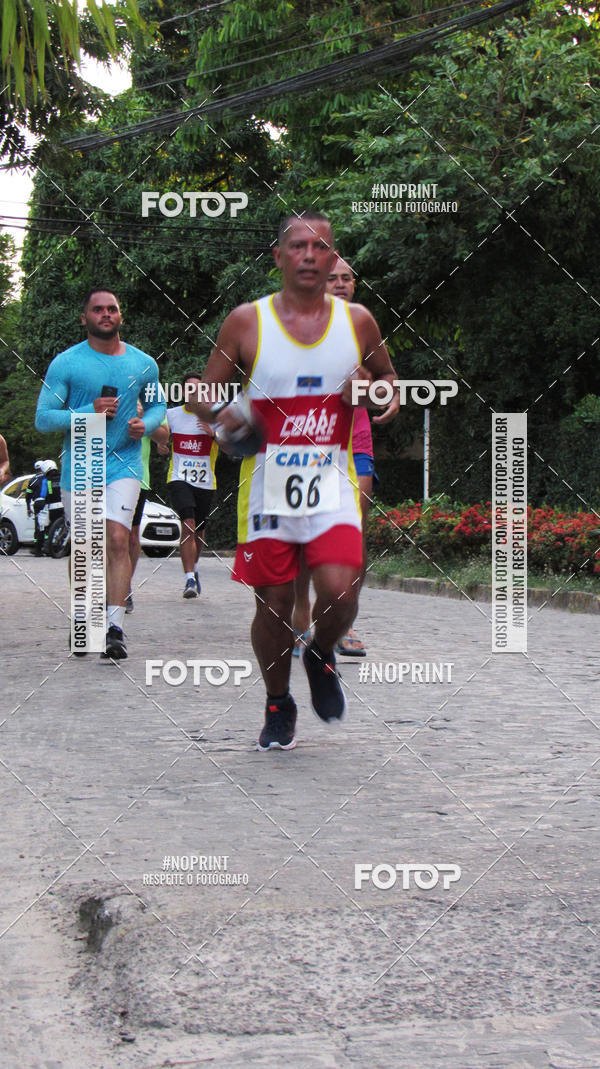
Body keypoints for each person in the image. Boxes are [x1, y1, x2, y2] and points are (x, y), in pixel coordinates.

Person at [189, 212, 399, 750]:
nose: (310, 254)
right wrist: (223, 414)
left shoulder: (357, 322)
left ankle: (321, 652)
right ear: (280, 257)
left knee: (341, 590)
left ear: (333, 262)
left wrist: (377, 396)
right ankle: (278, 701)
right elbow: (201, 394)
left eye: (321, 247)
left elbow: (390, 383)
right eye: (298, 246)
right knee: (275, 605)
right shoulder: (246, 322)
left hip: (331, 477)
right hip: (268, 481)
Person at [35, 288, 166, 659]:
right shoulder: (66, 363)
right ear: (85, 318)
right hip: (81, 461)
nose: (106, 314)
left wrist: (147, 422)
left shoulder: (144, 364)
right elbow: (43, 419)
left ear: (120, 316)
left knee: (117, 540)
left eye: (112, 309)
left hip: (124, 461)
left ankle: (114, 628)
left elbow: (158, 404)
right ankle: (84, 621)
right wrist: (87, 413)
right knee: (86, 547)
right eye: (98, 310)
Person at [292, 255, 377, 658]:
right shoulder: (296, 326)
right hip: (306, 444)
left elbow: (382, 380)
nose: (340, 283)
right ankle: (300, 613)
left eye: (347, 278)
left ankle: (343, 622)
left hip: (355, 440)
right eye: (332, 278)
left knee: (353, 534)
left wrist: (383, 396)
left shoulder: (362, 326)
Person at [156, 373, 218, 599]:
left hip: (205, 481)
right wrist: (161, 445)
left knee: (199, 533)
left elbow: (232, 444)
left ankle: (194, 567)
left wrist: (214, 434)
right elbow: (161, 437)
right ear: (183, 393)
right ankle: (189, 578)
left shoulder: (214, 416)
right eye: (190, 389)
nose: (194, 393)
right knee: (188, 525)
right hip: (179, 478)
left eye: (199, 389)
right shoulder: (171, 414)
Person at [126, 401, 169, 613]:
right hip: (104, 476)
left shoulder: (150, 400)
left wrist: (143, 419)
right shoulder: (108, 393)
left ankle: (124, 586)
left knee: (132, 536)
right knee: (108, 536)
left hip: (137, 478)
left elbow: (164, 435)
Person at [25, 458, 62, 555]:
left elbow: (42, 494)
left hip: (48, 506)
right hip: (62, 506)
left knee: (42, 527)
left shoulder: (41, 479)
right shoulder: (62, 477)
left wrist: (28, 506)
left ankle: (39, 549)